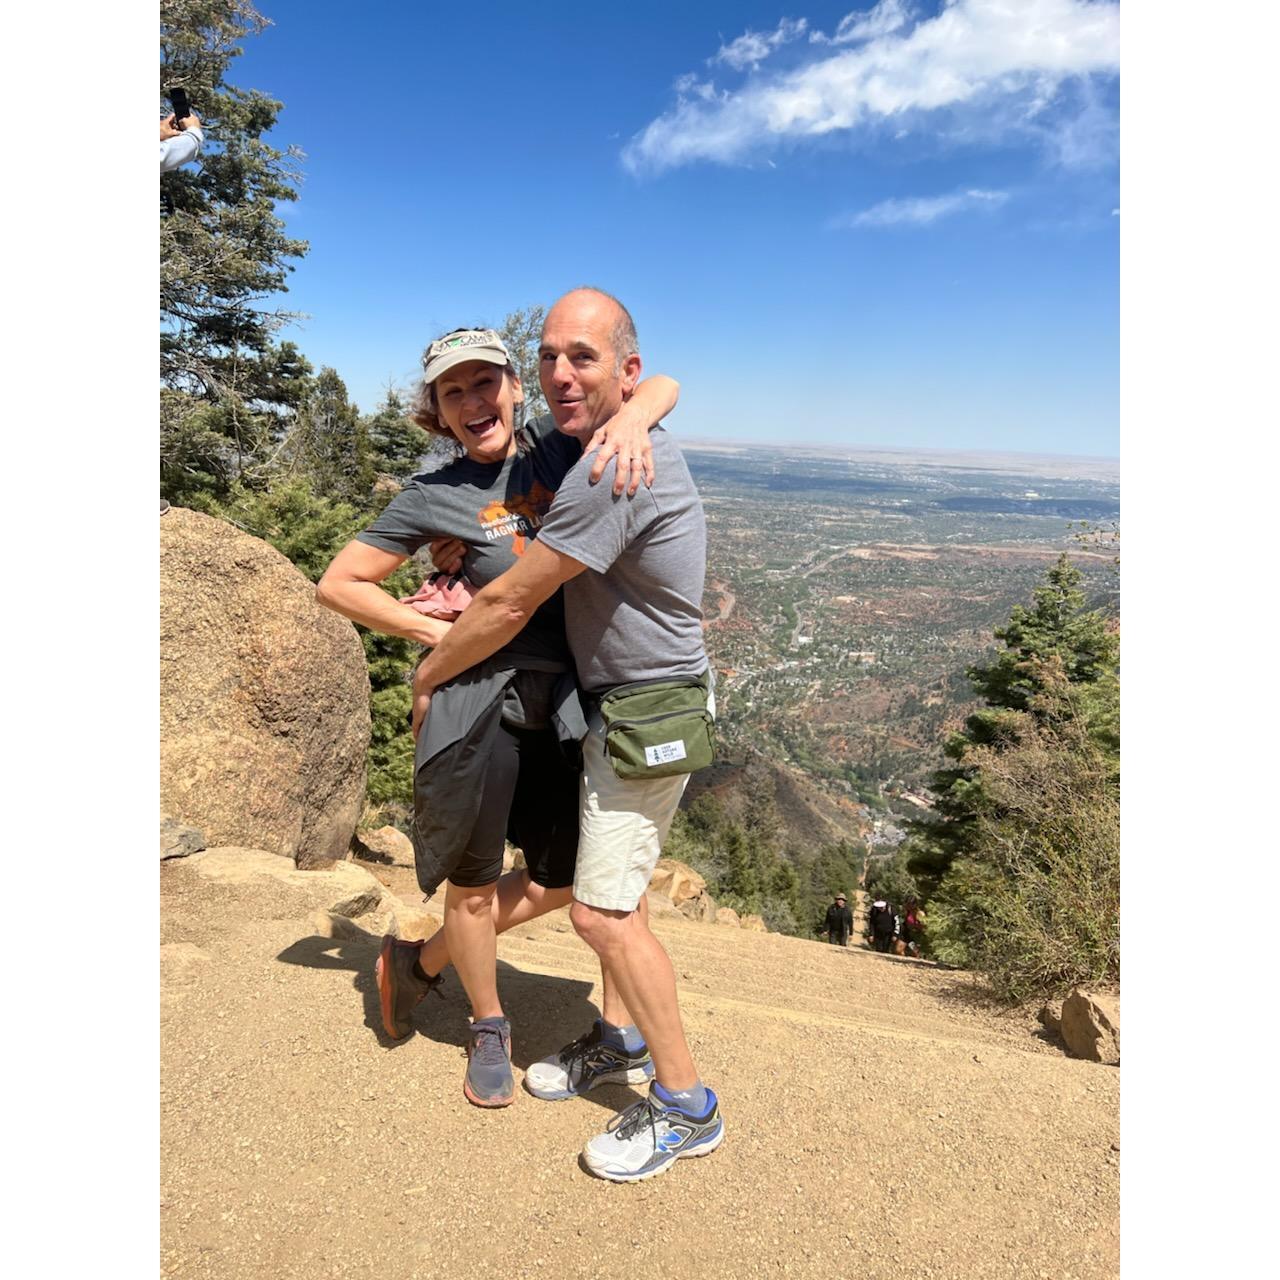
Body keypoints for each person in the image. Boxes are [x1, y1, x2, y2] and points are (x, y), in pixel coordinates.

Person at [315, 326, 678, 1108]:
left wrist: (634, 415)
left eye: (486, 382)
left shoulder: (555, 448)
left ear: (515, 388)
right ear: (438, 412)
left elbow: (662, 384)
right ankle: (488, 1023)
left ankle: (422, 962)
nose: (473, 401)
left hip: (567, 703)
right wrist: (433, 637)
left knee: (575, 878)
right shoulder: (432, 493)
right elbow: (339, 584)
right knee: (474, 882)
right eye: (453, 392)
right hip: (480, 700)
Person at [412, 287, 724, 1183]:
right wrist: (641, 405)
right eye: (548, 356)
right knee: (619, 889)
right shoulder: (598, 442)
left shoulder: (608, 469)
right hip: (618, 704)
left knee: (601, 913)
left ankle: (686, 1105)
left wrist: (428, 674)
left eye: (582, 357)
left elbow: (512, 600)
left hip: (642, 710)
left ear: (625, 370)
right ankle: (620, 1038)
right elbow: (659, 384)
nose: (559, 373)